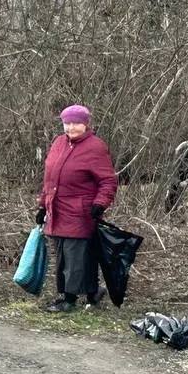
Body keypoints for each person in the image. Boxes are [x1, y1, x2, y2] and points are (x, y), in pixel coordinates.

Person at [36, 104, 118, 313]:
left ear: (85, 124)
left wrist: (100, 204)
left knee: (75, 256)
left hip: (81, 211)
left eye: (76, 123)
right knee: (65, 253)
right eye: (67, 123)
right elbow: (50, 179)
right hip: (57, 208)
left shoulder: (95, 147)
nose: (71, 128)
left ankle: (68, 299)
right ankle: (92, 292)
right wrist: (42, 206)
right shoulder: (58, 143)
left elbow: (108, 181)